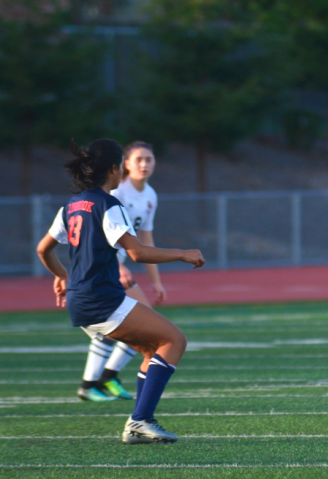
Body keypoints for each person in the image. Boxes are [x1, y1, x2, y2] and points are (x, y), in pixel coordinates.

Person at [36, 139, 204, 444]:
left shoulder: (71, 204)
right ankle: (139, 420)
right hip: (101, 298)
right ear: (115, 169)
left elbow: (43, 248)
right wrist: (183, 253)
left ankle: (139, 422)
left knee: (153, 350)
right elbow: (137, 253)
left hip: (81, 298)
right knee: (175, 339)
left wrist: (61, 275)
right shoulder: (109, 204)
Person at [76, 142, 166, 402]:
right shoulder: (116, 193)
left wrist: (156, 281)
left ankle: (100, 380)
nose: (144, 164)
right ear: (125, 164)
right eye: (138, 159)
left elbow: (146, 240)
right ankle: (101, 379)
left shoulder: (150, 195)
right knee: (137, 324)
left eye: (149, 159)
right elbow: (99, 234)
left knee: (128, 325)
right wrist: (118, 265)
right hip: (105, 266)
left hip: (116, 268)